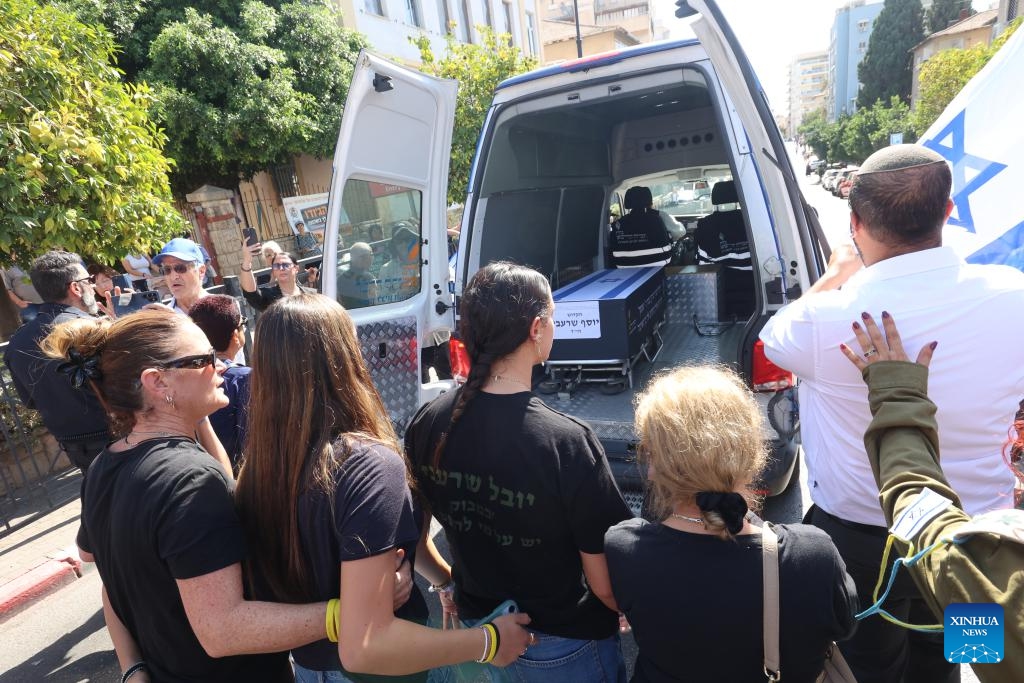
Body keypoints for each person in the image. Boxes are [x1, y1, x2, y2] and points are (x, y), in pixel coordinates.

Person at [759, 144, 1024, 683]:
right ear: (948, 212)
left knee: (869, 665)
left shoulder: (824, 318)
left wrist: (835, 274)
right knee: (970, 656)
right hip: (976, 545)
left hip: (861, 543)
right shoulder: (1014, 297)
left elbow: (771, 340)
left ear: (854, 223)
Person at [234, 293, 532, 682]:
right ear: (344, 356)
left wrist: (444, 581)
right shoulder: (366, 464)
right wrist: (488, 642)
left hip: (310, 668)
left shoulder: (256, 472)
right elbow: (368, 644)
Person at [39, 307, 346, 682]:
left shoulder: (107, 465)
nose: (219, 365)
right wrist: (343, 613)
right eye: (202, 360)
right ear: (158, 382)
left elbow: (99, 566)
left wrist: (131, 666)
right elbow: (223, 631)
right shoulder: (189, 481)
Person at [405, 261, 632, 681]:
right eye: (553, 319)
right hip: (563, 646)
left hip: (482, 638)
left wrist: (449, 583)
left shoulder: (427, 424)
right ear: (535, 328)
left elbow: (416, 547)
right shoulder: (566, 442)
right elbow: (604, 582)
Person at [604, 365, 858, 682]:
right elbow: (846, 625)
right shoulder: (813, 556)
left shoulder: (625, 549)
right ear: (751, 454)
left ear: (656, 465)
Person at [842, 312, 1023, 683]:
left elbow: (919, 508)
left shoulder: (995, 579)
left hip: (879, 545)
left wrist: (897, 392)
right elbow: (986, 663)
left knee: (875, 661)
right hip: (961, 555)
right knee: (959, 657)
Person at [4, 251, 109, 478]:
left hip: (76, 448)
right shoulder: (94, 328)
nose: (92, 286)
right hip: (121, 439)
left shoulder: (17, 342)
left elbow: (30, 400)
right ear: (75, 288)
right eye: (88, 281)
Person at [189, 295, 251, 473]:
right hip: (236, 479)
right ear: (235, 335)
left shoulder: (184, 377)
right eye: (243, 324)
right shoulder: (244, 379)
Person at [608, 186, 673, 268]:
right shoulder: (656, 219)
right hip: (659, 265)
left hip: (624, 267)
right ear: (649, 201)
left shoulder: (618, 224)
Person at [240, 247, 315, 313]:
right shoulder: (269, 297)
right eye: (277, 266)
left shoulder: (311, 294)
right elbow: (251, 294)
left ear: (296, 268)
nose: (281, 268)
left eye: (286, 265)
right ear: (273, 271)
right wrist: (247, 261)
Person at [152, 238, 210, 316]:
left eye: (180, 268)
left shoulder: (223, 311)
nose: (173, 277)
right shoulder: (163, 318)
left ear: (201, 271)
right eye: (167, 270)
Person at [377, 224, 421, 304]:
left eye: (408, 239)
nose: (404, 244)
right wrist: (400, 294)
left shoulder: (430, 261)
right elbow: (381, 300)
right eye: (399, 241)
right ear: (394, 246)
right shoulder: (386, 269)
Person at [337, 242, 378, 310]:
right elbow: (374, 302)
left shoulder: (341, 278)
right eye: (370, 255)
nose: (371, 257)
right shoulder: (369, 278)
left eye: (371, 254)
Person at [3, 259, 44, 324]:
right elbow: (7, 290)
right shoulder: (6, 267)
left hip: (48, 300)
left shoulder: (36, 258)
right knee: (32, 322)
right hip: (28, 304)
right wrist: (19, 302)